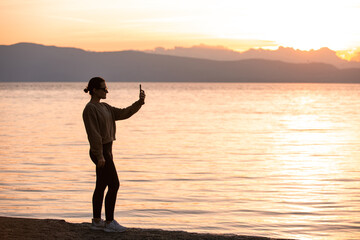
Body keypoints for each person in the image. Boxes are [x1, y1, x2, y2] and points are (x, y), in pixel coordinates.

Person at [82, 77, 145, 232]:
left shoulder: (106, 107)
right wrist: (100, 156)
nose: (106, 91)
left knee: (101, 185)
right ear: (95, 90)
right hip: (101, 152)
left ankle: (97, 221)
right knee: (114, 184)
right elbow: (94, 134)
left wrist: (139, 102)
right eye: (103, 89)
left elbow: (124, 113)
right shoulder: (90, 109)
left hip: (106, 151)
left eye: (106, 88)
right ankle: (109, 223)